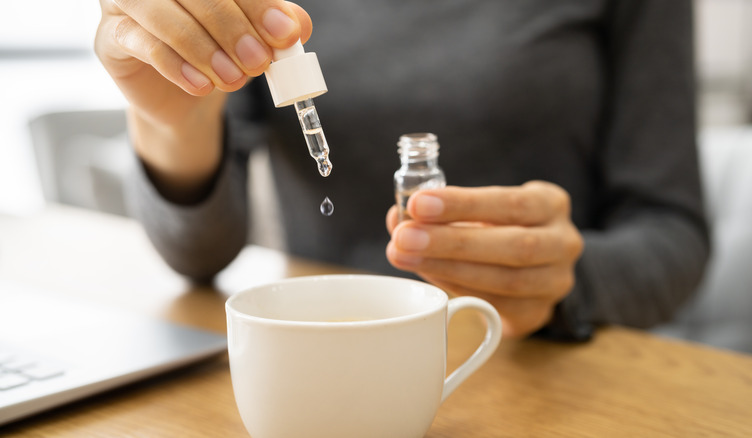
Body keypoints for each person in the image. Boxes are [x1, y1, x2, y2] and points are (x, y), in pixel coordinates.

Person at [95, 0, 709, 340]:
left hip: (539, 370)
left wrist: (562, 277)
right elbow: (198, 255)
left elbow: (674, 236)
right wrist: (173, 120)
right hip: (327, 361)